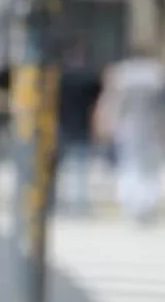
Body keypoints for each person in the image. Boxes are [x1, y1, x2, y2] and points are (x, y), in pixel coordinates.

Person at [94, 46, 165, 224]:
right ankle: (146, 205)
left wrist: (106, 125)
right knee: (149, 169)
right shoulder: (158, 74)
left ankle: (131, 205)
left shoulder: (122, 74)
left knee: (129, 166)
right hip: (152, 128)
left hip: (127, 127)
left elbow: (111, 102)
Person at [55, 40, 101, 215]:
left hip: (64, 126)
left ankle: (64, 202)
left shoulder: (60, 77)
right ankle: (78, 204)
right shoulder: (89, 78)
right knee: (79, 168)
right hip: (80, 126)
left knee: (63, 168)